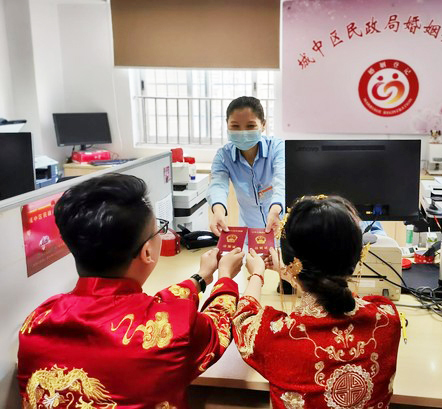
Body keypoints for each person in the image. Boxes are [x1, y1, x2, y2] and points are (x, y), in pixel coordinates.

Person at [17, 173, 244, 409]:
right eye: (159, 230)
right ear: (147, 252)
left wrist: (200, 278)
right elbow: (218, 328)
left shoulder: (37, 321)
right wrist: (225, 277)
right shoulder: (172, 332)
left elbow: (140, 310)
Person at [232, 195, 401, 409]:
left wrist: (257, 273)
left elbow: (243, 318)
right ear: (357, 256)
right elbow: (334, 291)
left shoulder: (277, 336)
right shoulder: (387, 318)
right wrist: (291, 273)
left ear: (291, 261)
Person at [208, 96, 284, 235]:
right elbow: (218, 185)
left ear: (263, 125)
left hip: (280, 227)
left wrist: (276, 208)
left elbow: (282, 180)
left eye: (250, 126)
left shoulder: (277, 148)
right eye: (235, 126)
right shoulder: (224, 156)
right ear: (227, 124)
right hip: (250, 234)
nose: (243, 132)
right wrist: (218, 211)